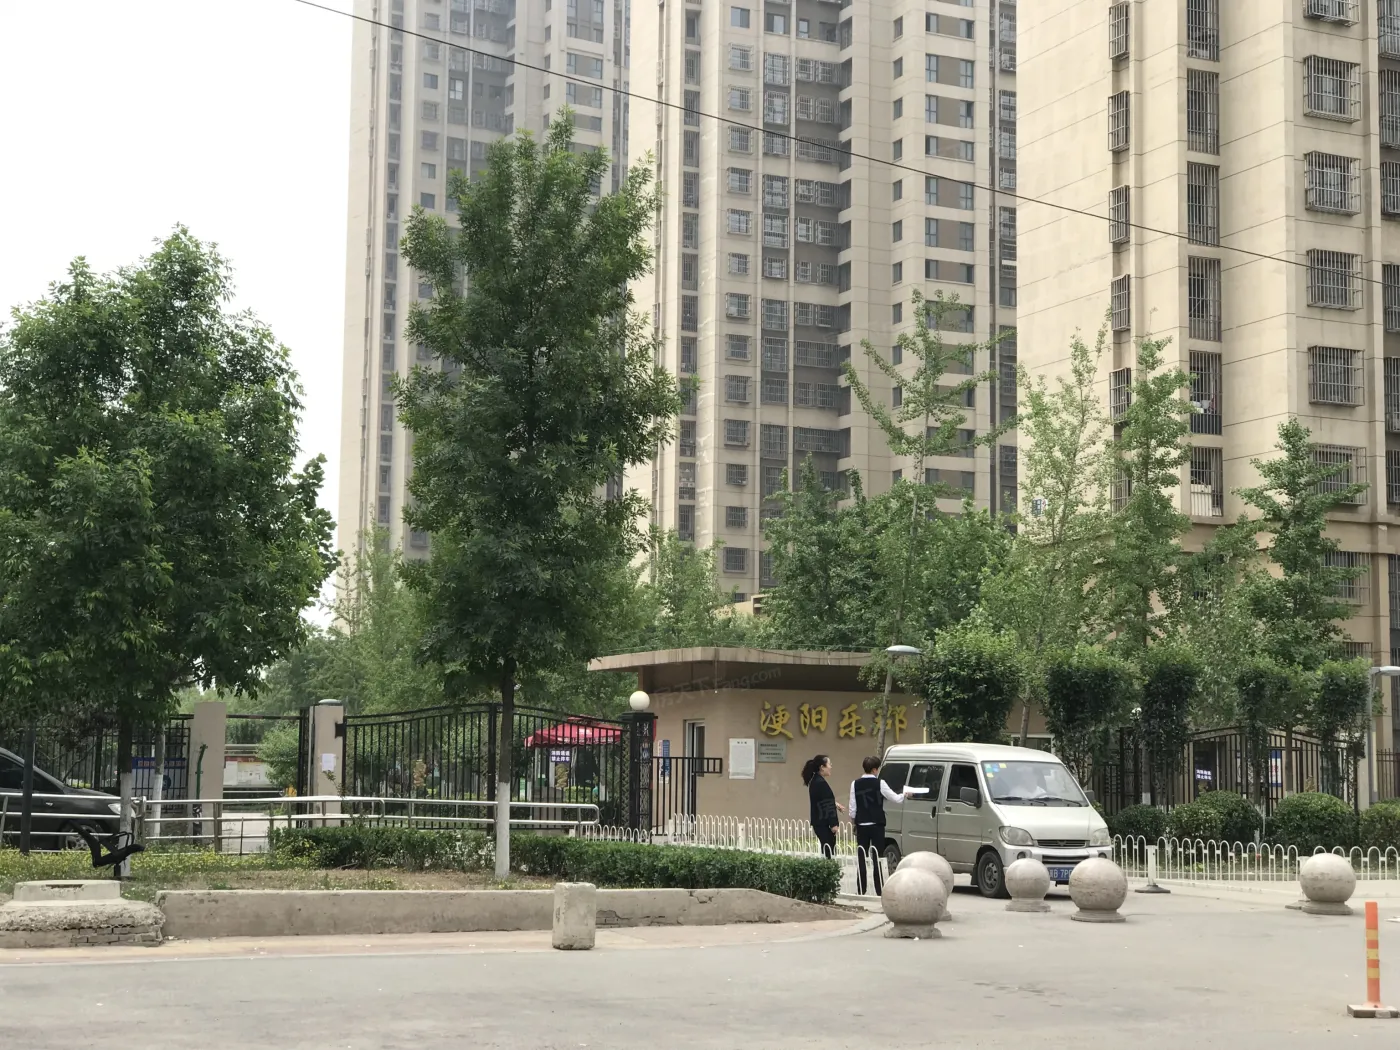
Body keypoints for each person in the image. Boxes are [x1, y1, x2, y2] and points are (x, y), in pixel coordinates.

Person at [848, 756, 913, 895]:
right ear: (874, 770)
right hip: (877, 824)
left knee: (861, 856)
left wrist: (854, 822)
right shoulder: (880, 783)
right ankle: (879, 889)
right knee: (877, 856)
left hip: (862, 824)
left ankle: (861, 888)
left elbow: (852, 807)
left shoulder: (855, 784)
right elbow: (895, 798)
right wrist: (904, 795)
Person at [801, 754, 845, 857]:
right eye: (829, 764)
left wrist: (835, 804)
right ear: (822, 767)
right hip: (824, 823)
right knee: (829, 851)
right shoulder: (820, 783)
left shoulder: (816, 781)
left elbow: (823, 799)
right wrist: (833, 824)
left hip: (820, 823)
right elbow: (827, 804)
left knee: (827, 850)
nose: (831, 767)